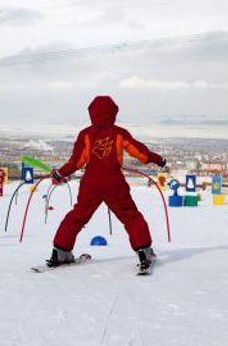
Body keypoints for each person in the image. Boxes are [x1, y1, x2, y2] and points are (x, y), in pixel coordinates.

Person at [49, 96, 166, 272]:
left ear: (91, 113)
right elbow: (140, 153)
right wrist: (159, 160)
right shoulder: (119, 133)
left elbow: (77, 161)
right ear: (114, 113)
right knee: (130, 216)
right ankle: (144, 251)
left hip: (91, 184)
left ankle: (60, 251)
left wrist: (60, 173)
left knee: (77, 215)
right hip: (114, 183)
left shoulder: (85, 134)